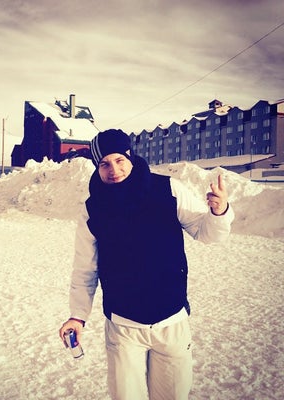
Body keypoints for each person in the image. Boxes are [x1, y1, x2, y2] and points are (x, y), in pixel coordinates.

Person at [59, 129, 234, 400]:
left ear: (130, 156)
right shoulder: (93, 208)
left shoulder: (168, 189)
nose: (114, 170)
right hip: (123, 326)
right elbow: (85, 268)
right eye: (104, 164)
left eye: (119, 160)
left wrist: (218, 211)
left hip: (171, 321)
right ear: (97, 167)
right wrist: (77, 315)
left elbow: (206, 233)